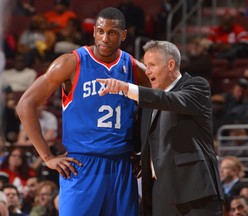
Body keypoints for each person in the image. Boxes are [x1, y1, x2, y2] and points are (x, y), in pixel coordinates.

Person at [16, 7, 149, 216]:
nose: (105, 38)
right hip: (81, 165)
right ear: (94, 31)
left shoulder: (132, 67)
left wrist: (142, 151)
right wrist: (47, 156)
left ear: (123, 35)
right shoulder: (71, 62)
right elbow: (25, 104)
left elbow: (160, 105)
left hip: (122, 165)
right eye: (101, 31)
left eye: (112, 32)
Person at [97, 40, 224, 215]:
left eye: (152, 65)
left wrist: (127, 88)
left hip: (194, 192)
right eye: (145, 65)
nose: (147, 71)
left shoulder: (196, 86)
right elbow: (144, 140)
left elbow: (168, 100)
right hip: (159, 194)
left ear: (170, 65)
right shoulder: (148, 102)